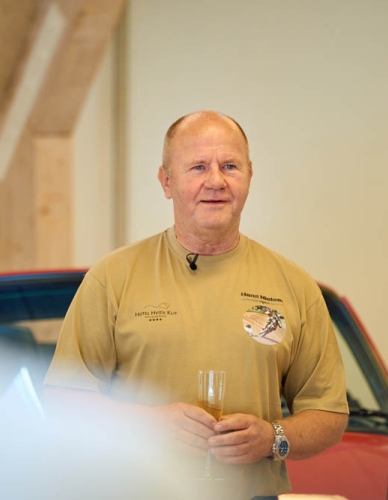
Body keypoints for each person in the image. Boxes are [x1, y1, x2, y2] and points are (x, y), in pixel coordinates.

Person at [44, 110, 349, 500]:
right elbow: (64, 400)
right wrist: (150, 425)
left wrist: (272, 437)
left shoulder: (295, 286)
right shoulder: (113, 277)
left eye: (230, 166)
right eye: (198, 167)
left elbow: (329, 414)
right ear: (166, 181)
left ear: (250, 176)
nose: (216, 181)